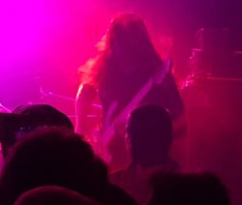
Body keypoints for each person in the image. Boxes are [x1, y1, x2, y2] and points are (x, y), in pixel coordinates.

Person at [75, 13, 184, 171]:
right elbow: (85, 89)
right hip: (109, 150)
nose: (116, 47)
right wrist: (80, 125)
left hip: (144, 155)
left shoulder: (156, 76)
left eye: (121, 41)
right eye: (114, 40)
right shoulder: (107, 66)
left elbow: (179, 118)